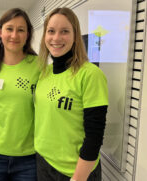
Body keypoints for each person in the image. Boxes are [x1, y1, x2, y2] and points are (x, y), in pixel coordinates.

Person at [34, 7, 108, 181]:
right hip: (43, 164)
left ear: (75, 36)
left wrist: (78, 178)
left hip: (76, 172)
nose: (56, 38)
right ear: (45, 35)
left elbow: (94, 137)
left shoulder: (90, 74)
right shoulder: (44, 73)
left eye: (65, 31)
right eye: (51, 31)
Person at [0, 8, 40, 181]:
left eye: (21, 30)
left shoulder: (40, 66)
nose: (14, 35)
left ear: (27, 34)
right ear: (0, 32)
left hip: (28, 158)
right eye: (9, 29)